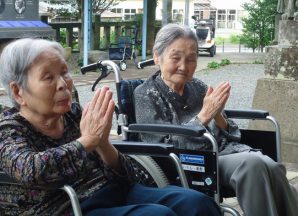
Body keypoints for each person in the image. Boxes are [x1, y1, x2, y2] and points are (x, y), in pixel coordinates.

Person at [0, 38, 221, 216]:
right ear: (18, 92)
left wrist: (104, 143)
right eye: (48, 77)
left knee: (196, 203)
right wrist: (87, 141)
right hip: (68, 206)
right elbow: (31, 169)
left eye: (64, 72)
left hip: (112, 190)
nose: (63, 84)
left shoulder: (73, 115)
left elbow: (128, 175)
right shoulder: (10, 129)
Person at [134, 23, 298, 216]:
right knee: (253, 165)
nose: (183, 66)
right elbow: (161, 146)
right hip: (191, 160)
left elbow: (233, 133)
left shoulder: (197, 86)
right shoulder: (145, 94)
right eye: (176, 57)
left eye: (191, 59)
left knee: (272, 167)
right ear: (157, 57)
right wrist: (203, 116)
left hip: (221, 150)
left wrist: (218, 114)